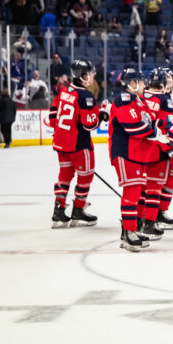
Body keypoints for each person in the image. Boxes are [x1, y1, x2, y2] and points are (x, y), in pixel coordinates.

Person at [109, 68, 171, 252]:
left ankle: (132, 229)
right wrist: (155, 133)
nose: (144, 84)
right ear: (132, 83)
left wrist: (170, 121)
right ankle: (128, 232)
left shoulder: (139, 100)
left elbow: (151, 121)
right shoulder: (123, 99)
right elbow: (133, 127)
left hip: (136, 154)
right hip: (125, 152)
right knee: (132, 191)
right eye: (141, 81)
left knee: (137, 192)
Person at [47, 60, 101, 228]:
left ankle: (58, 210)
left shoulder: (63, 91)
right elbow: (90, 124)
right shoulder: (85, 96)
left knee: (64, 176)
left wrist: (60, 131)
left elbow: (52, 116)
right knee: (86, 176)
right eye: (90, 73)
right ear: (83, 76)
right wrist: (102, 115)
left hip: (61, 143)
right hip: (79, 145)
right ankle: (78, 209)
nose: (92, 76)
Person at [141, 67, 173, 235]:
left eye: (170, 77)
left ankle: (160, 212)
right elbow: (163, 124)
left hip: (172, 146)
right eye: (165, 76)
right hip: (160, 146)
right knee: (152, 184)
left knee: (170, 182)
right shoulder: (159, 99)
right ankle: (147, 217)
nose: (168, 79)